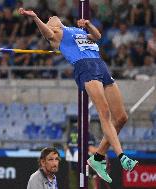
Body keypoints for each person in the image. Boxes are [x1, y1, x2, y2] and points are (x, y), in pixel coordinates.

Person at [18, 8, 138, 183]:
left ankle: (97, 158)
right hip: (85, 67)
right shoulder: (57, 35)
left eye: (52, 16)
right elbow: (46, 32)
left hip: (100, 65)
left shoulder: (77, 31)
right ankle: (122, 156)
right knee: (104, 114)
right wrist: (36, 17)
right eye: (49, 18)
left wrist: (89, 24)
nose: (52, 17)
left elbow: (97, 37)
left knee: (121, 118)